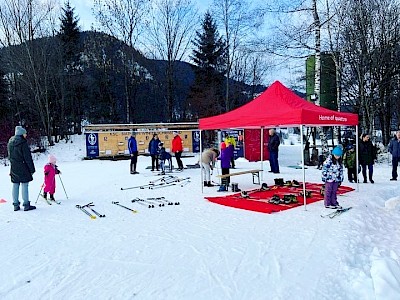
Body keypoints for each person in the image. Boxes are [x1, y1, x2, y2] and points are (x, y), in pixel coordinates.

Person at [7, 126, 36, 211]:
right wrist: (32, 169)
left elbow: (9, 156)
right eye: (25, 133)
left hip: (14, 167)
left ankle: (15, 205)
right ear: (21, 134)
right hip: (23, 167)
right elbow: (28, 158)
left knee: (15, 185)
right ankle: (26, 204)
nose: (26, 135)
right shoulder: (23, 143)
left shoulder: (10, 142)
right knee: (25, 184)